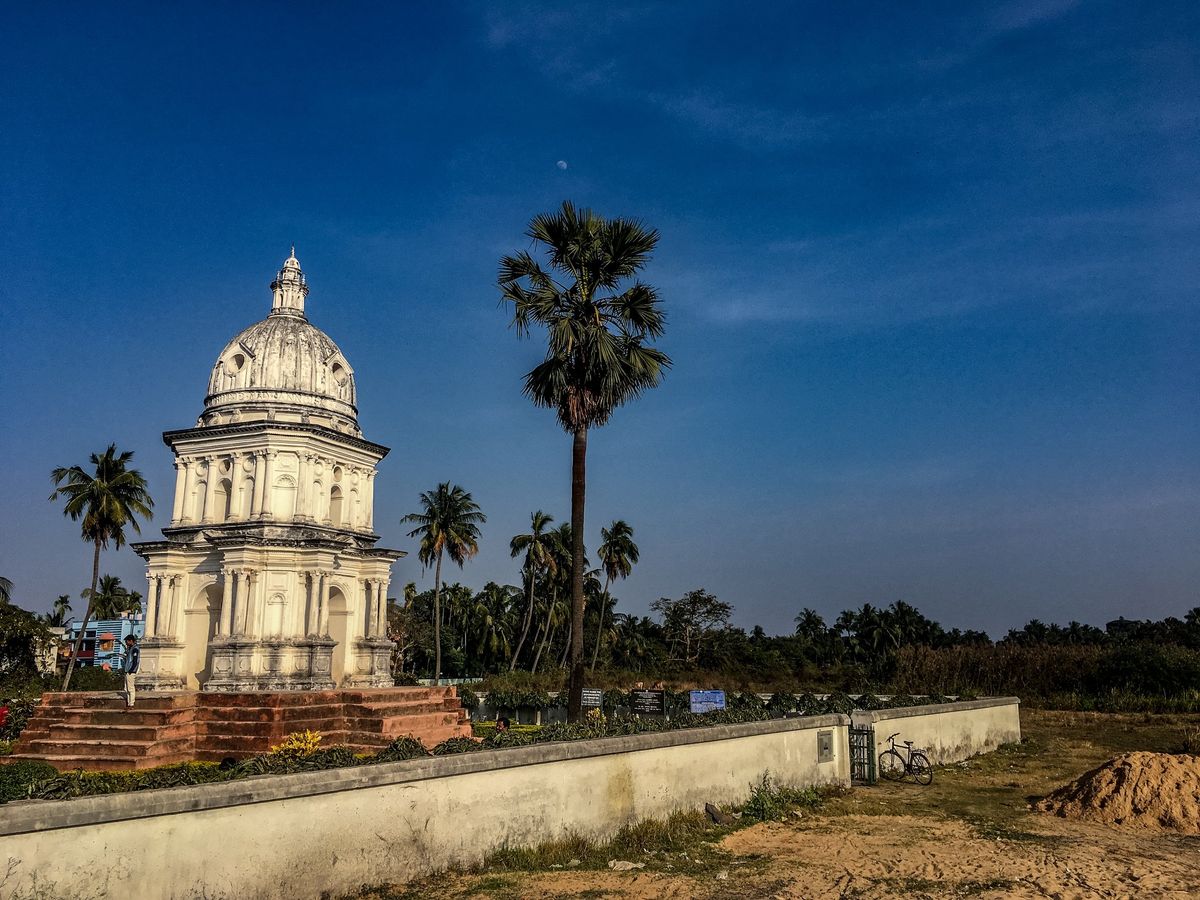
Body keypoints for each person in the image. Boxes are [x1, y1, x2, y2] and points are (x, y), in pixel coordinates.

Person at [122, 634, 140, 708]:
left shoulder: (135, 649)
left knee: (130, 688)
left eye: (127, 641)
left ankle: (131, 704)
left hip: (131, 671)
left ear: (131, 641)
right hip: (128, 671)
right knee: (126, 688)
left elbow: (135, 661)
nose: (126, 643)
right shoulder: (130, 649)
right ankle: (129, 703)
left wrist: (131, 670)